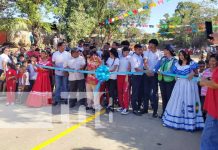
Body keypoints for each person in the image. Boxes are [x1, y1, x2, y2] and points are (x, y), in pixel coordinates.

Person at [162, 50, 204, 131]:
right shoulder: (177, 64)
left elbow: (197, 74)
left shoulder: (192, 63)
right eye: (180, 55)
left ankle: (191, 122)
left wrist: (193, 74)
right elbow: (171, 71)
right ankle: (176, 121)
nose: (181, 57)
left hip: (190, 85)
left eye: (182, 55)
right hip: (180, 84)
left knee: (190, 100)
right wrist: (164, 73)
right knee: (177, 100)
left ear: (187, 55)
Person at [200, 32, 218, 150]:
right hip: (213, 107)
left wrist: (203, 81)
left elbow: (215, 84)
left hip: (215, 109)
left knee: (208, 139)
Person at [154, 45, 177, 117]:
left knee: (169, 98)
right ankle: (164, 113)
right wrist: (156, 70)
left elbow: (172, 71)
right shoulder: (163, 58)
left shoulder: (175, 60)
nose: (163, 51)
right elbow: (156, 66)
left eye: (164, 50)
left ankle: (169, 114)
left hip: (170, 82)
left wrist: (162, 72)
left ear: (169, 50)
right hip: (162, 81)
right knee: (164, 98)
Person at [143, 39, 162, 117]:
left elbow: (159, 64)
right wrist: (148, 70)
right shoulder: (146, 52)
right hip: (147, 74)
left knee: (155, 93)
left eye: (151, 44)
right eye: (149, 44)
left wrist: (153, 71)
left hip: (155, 75)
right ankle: (145, 109)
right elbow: (145, 61)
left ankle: (155, 111)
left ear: (155, 45)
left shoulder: (160, 53)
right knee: (146, 92)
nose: (149, 45)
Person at [200, 54, 217, 121]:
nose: (211, 62)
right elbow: (201, 83)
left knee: (211, 112)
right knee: (203, 109)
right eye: (210, 60)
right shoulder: (206, 71)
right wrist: (209, 82)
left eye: (214, 61)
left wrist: (206, 82)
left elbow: (214, 85)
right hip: (204, 94)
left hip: (213, 96)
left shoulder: (216, 72)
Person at [130, 44, 144, 116]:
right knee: (135, 93)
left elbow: (142, 66)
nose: (140, 51)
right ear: (135, 49)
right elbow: (136, 68)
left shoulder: (140, 56)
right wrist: (145, 71)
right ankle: (134, 109)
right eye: (139, 49)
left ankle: (138, 107)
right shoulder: (133, 57)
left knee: (139, 92)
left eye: (141, 49)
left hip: (140, 76)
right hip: (135, 76)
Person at [117, 47, 131, 115]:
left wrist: (127, 76)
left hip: (126, 76)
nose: (126, 53)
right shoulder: (119, 57)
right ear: (122, 52)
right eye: (125, 52)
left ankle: (126, 107)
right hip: (118, 76)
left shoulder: (130, 58)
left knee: (125, 92)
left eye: (128, 52)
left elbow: (129, 68)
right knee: (120, 91)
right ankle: (122, 106)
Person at [106, 48, 119, 112]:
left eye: (111, 54)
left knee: (112, 91)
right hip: (108, 77)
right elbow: (107, 66)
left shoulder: (117, 59)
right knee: (109, 91)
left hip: (114, 77)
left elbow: (114, 69)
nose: (110, 55)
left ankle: (111, 105)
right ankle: (109, 104)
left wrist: (107, 70)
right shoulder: (109, 59)